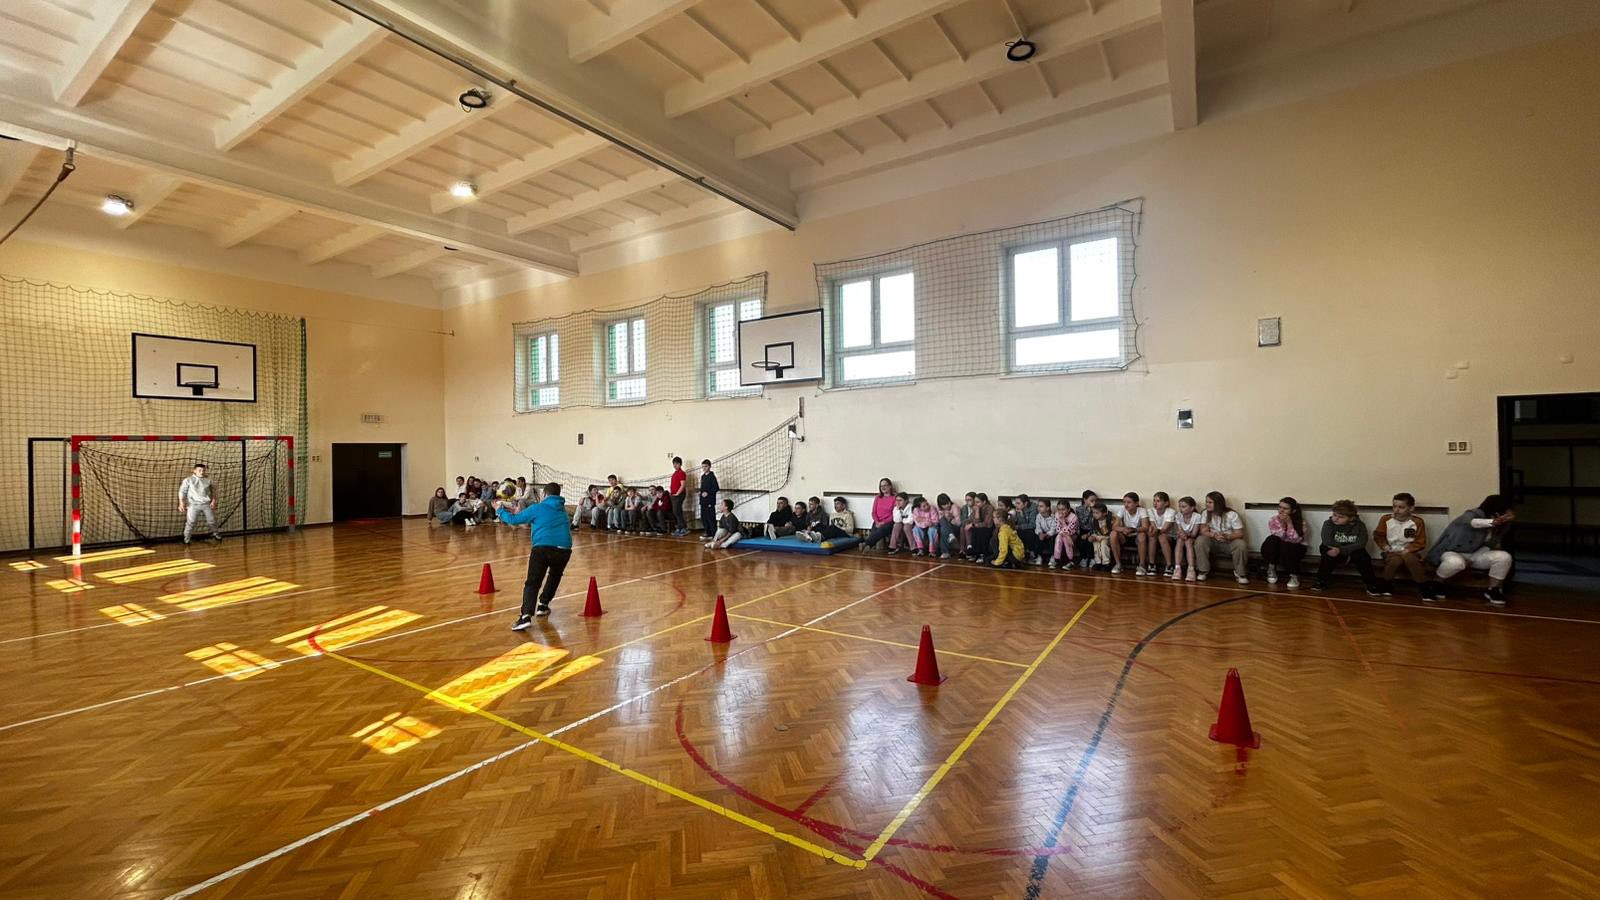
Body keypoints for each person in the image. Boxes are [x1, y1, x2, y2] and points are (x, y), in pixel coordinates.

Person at [495, 482, 573, 627]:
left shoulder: (538, 507)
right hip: (564, 549)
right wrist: (518, 512)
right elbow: (529, 522)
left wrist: (499, 510)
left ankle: (525, 616)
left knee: (533, 582)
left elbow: (514, 520)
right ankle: (543, 605)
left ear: (544, 494)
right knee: (555, 576)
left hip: (542, 548)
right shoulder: (562, 510)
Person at [1426, 494, 1515, 606]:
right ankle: (1436, 583)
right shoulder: (1472, 514)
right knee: (1456, 563)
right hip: (1452, 551)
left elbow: (1490, 545)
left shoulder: (1502, 525)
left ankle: (1493, 589)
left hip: (1476, 554)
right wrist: (1492, 522)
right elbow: (1472, 522)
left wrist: (1472, 558)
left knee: (1504, 557)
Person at [1314, 500, 1381, 595]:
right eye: (1334, 515)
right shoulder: (1328, 523)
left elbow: (1361, 543)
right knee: (1327, 553)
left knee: (1363, 556)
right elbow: (1327, 541)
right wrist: (1338, 550)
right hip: (1333, 548)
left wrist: (1341, 550)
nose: (1336, 518)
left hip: (1350, 550)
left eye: (1341, 517)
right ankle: (1321, 580)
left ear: (1351, 518)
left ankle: (1371, 583)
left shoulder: (1360, 525)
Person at [1375, 492, 1432, 598]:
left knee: (1410, 559)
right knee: (1395, 560)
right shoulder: (1386, 519)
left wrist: (1408, 549)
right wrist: (1385, 546)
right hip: (1391, 551)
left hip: (1409, 551)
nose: (1396, 510)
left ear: (1411, 508)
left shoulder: (1417, 522)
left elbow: (1420, 541)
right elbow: (1379, 536)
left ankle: (1424, 586)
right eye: (1394, 506)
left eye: (1401, 507)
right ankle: (1386, 584)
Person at [1196, 491, 1248, 584]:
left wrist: (1228, 536)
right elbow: (1203, 531)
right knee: (1200, 540)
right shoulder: (1205, 513)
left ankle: (1240, 574)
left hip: (1228, 542)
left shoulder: (1231, 514)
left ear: (1218, 503)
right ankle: (1203, 571)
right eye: (1206, 501)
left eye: (1210, 502)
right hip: (1212, 541)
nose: (1207, 504)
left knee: (1241, 544)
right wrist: (1213, 535)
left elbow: (1240, 533)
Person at [1261, 496, 1309, 589]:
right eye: (1280, 507)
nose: (1281, 510)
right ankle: (1271, 568)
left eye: (1285, 508)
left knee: (1287, 545)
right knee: (1271, 539)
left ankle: (1294, 575)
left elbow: (1295, 540)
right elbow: (1278, 536)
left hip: (1296, 548)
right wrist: (1283, 525)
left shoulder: (1301, 522)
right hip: (1279, 546)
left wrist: (1289, 524)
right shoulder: (1273, 520)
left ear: (1293, 511)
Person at [178, 462, 221, 545]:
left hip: (206, 504)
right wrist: (181, 503)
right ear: (194, 471)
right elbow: (182, 491)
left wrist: (213, 501)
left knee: (212, 521)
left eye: (203, 470)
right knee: (191, 522)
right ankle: (186, 539)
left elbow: (214, 491)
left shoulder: (208, 480)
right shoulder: (188, 480)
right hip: (193, 505)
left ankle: (216, 534)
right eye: (199, 470)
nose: (202, 472)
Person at [1112, 492, 1150, 575]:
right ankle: (1118, 564)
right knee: (1113, 534)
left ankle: (1142, 565)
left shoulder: (1142, 511)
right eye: (1124, 502)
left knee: (1142, 535)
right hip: (1125, 535)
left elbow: (1145, 527)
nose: (1126, 505)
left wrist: (1134, 530)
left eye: (1129, 502)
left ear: (1136, 503)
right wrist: (1123, 529)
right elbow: (1114, 526)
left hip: (1137, 535)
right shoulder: (1122, 510)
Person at [862, 478, 897, 552]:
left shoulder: (894, 497)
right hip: (877, 521)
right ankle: (868, 545)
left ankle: (866, 544)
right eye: (881, 486)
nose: (883, 487)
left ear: (890, 486)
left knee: (881, 530)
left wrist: (883, 522)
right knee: (875, 531)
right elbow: (873, 512)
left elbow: (894, 514)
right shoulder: (878, 497)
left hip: (889, 522)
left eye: (885, 485)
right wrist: (877, 521)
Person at [1174, 496, 1204, 581]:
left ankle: (1191, 569)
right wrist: (1182, 534)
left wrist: (1186, 535)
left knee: (1188, 542)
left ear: (1192, 508)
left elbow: (1194, 534)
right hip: (1182, 537)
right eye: (1180, 506)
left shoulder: (1197, 516)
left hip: (1192, 537)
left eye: (1183, 507)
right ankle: (1177, 568)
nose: (1181, 509)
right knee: (1179, 541)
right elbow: (1179, 530)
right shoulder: (1178, 516)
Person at [1150, 492, 1178, 576]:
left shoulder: (1171, 512)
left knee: (1162, 537)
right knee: (1152, 537)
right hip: (1156, 534)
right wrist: (1153, 531)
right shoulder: (1150, 511)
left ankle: (1169, 565)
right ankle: (1151, 564)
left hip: (1170, 536)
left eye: (1158, 501)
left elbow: (1164, 529)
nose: (1155, 503)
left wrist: (1155, 531)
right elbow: (1153, 527)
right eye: (1154, 500)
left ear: (1166, 503)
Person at [1073, 490, 1100, 569]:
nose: (1094, 503)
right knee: (1080, 541)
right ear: (1085, 500)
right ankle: (1084, 557)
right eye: (1092, 501)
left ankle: (1092, 558)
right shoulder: (1079, 509)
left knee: (1090, 540)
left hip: (1093, 530)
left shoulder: (1096, 510)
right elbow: (1082, 521)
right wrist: (1089, 510)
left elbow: (1095, 523)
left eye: (1095, 501)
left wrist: (1089, 534)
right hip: (1082, 529)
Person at [1048, 499, 1078, 569]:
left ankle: (1070, 561)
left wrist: (1063, 522)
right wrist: (1067, 536)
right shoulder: (1057, 515)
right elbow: (1058, 529)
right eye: (1059, 509)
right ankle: (1056, 559)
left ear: (1068, 509)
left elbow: (1071, 531)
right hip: (1062, 534)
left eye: (1063, 509)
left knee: (1065, 539)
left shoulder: (1074, 517)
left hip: (1073, 534)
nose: (1061, 512)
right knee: (1058, 537)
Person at [1085, 502, 1114, 570]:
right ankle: (1098, 562)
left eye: (1097, 513)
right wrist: (1091, 536)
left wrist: (1101, 537)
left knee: (1104, 543)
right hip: (1098, 537)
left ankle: (1106, 563)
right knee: (1095, 543)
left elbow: (1111, 532)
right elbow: (1093, 530)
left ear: (1104, 513)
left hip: (1108, 537)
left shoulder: (1110, 520)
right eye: (1093, 512)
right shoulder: (1094, 520)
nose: (1094, 514)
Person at [669, 456, 690, 536]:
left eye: (676, 464)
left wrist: (677, 493)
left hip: (679, 495)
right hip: (673, 495)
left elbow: (682, 485)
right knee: (676, 512)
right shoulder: (675, 473)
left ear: (680, 464)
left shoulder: (681, 473)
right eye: (674, 464)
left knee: (676, 511)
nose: (675, 465)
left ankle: (684, 528)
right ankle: (680, 527)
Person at [1033, 498, 1057, 567]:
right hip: (1042, 533)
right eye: (1038, 506)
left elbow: (1053, 529)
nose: (1038, 508)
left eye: (1041, 506)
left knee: (1053, 539)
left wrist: (1046, 534)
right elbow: (1037, 527)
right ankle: (1039, 556)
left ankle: (1053, 557)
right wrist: (1040, 533)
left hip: (1051, 534)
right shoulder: (1038, 516)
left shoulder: (1053, 516)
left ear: (1047, 508)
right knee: (1036, 537)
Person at [698, 459, 719, 539]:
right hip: (703, 501)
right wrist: (700, 492)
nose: (704, 468)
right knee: (704, 517)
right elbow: (703, 488)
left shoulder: (712, 476)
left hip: (710, 501)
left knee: (710, 517)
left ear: (709, 466)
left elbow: (716, 488)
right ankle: (707, 532)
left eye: (706, 466)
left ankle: (713, 534)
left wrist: (708, 493)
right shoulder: (703, 476)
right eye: (703, 467)